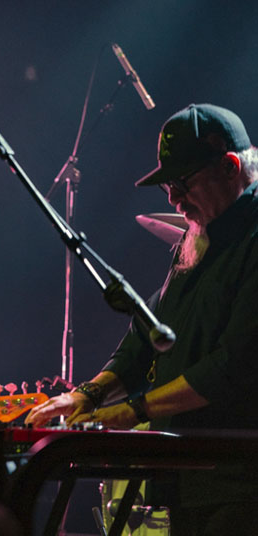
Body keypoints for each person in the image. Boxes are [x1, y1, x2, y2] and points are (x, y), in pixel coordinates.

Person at [25, 103, 258, 535]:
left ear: (230, 167)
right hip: (189, 475)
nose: (172, 198)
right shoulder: (198, 237)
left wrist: (132, 411)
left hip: (241, 482)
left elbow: (234, 366)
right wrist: (88, 396)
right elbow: (146, 334)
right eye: (168, 185)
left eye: (182, 182)